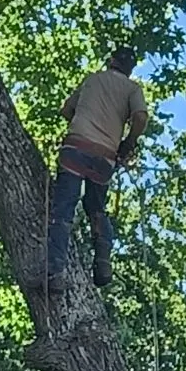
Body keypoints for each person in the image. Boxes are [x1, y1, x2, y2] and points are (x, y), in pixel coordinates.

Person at [40, 46, 148, 291]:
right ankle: (102, 260)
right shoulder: (132, 89)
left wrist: (83, 122)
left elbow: (66, 110)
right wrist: (127, 144)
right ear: (130, 69)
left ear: (110, 61)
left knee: (63, 208)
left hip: (76, 148)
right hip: (105, 157)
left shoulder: (92, 80)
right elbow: (140, 118)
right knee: (97, 208)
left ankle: (54, 271)